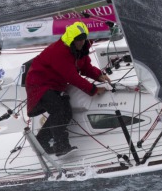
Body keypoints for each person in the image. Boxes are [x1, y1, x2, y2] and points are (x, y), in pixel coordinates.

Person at [25, 21, 110, 156]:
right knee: (59, 110)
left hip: (55, 85)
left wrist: (99, 75)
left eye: (83, 39)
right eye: (78, 40)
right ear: (71, 39)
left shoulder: (79, 50)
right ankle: (61, 147)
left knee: (64, 110)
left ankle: (41, 141)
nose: (81, 43)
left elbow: (85, 67)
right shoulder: (60, 51)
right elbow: (72, 77)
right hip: (40, 84)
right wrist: (93, 90)